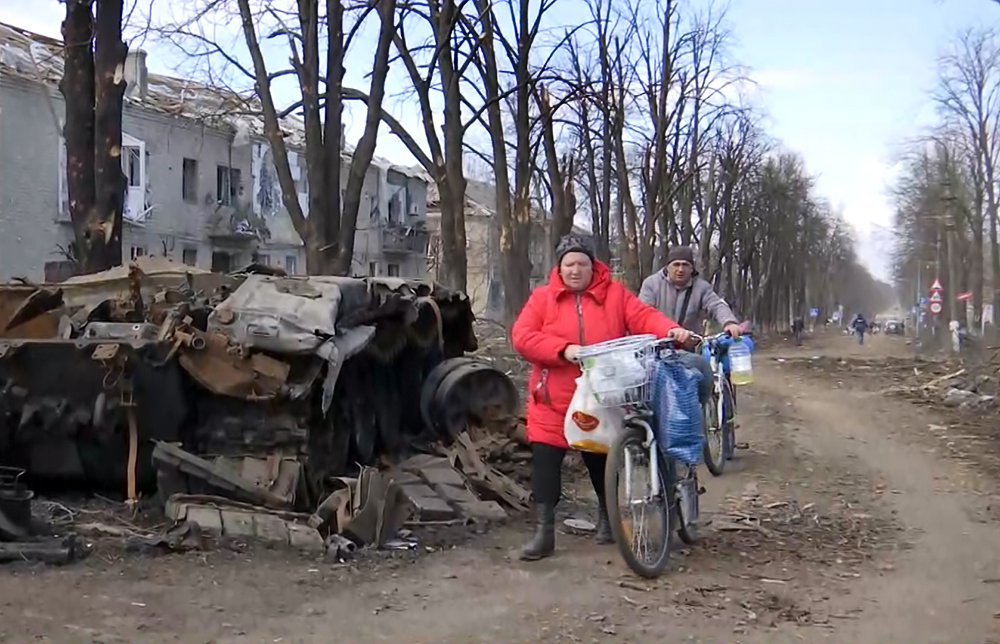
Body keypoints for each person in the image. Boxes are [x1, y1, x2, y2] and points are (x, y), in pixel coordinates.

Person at [511, 234, 691, 561]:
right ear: (560, 268)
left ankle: (607, 519)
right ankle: (544, 532)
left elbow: (645, 317)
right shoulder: (542, 299)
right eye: (569, 264)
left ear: (593, 267)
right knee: (545, 463)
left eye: (581, 263)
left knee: (599, 458)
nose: (575, 270)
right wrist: (562, 350)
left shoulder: (615, 295)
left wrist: (671, 330)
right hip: (552, 397)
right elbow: (523, 337)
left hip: (600, 394)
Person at [638, 246, 742, 403]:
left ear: (692, 268)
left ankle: (702, 411)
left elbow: (716, 305)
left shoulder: (702, 287)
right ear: (667, 266)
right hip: (657, 347)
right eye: (676, 264)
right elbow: (643, 313)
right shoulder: (651, 284)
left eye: (685, 265)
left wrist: (729, 322)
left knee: (698, 382)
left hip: (689, 346)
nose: (680, 269)